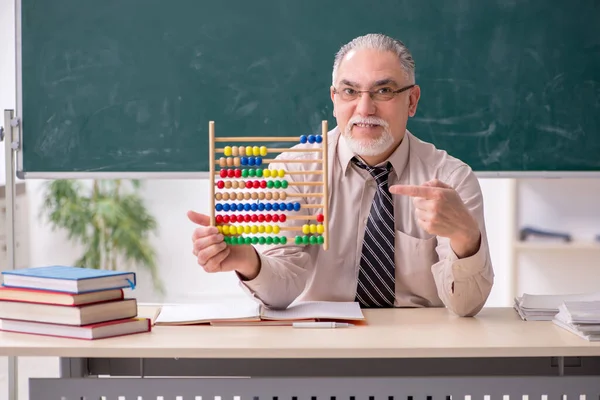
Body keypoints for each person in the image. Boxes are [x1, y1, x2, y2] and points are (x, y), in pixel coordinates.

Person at [188, 33, 494, 317]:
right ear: (334, 99)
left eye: (383, 90)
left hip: (419, 349)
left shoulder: (450, 180)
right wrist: (247, 260)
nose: (365, 107)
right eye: (350, 91)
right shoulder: (295, 171)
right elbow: (282, 289)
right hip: (322, 347)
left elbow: (465, 306)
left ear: (411, 101)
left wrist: (465, 237)